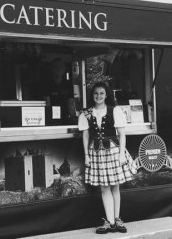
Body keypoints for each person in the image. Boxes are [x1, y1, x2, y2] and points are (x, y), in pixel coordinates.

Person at [78, 82, 137, 234]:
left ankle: (117, 219)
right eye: (96, 93)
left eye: (102, 93)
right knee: (104, 188)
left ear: (107, 95)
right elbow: (85, 136)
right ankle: (110, 222)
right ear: (92, 95)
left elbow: (122, 134)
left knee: (115, 186)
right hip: (96, 153)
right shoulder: (86, 113)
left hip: (114, 151)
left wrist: (122, 154)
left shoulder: (115, 110)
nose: (98, 96)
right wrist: (86, 156)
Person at [39, 58, 76, 124]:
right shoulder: (46, 84)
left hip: (66, 117)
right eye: (56, 67)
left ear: (64, 69)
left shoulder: (68, 85)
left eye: (61, 67)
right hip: (51, 118)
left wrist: (74, 119)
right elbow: (47, 104)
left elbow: (71, 104)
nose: (58, 69)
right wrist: (49, 120)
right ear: (52, 69)